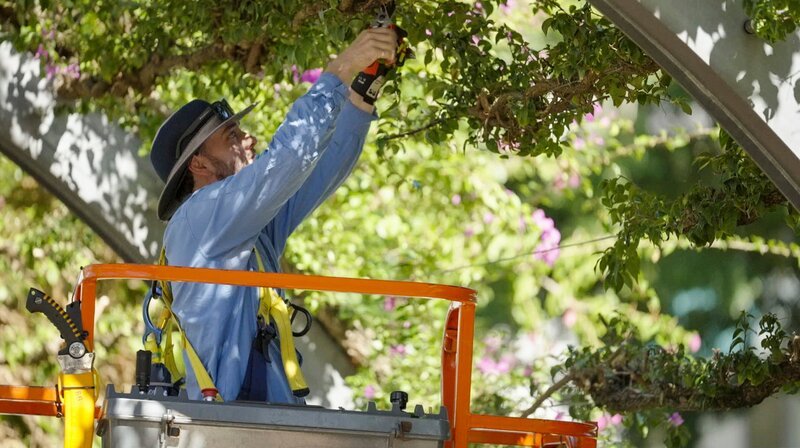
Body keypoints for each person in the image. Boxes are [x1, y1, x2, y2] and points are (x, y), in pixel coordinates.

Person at [148, 28, 399, 402]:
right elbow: (288, 160)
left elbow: (318, 172)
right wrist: (340, 69)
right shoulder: (200, 215)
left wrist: (362, 94)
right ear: (197, 163)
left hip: (255, 415)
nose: (248, 139)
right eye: (231, 135)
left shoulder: (245, 229)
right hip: (226, 420)